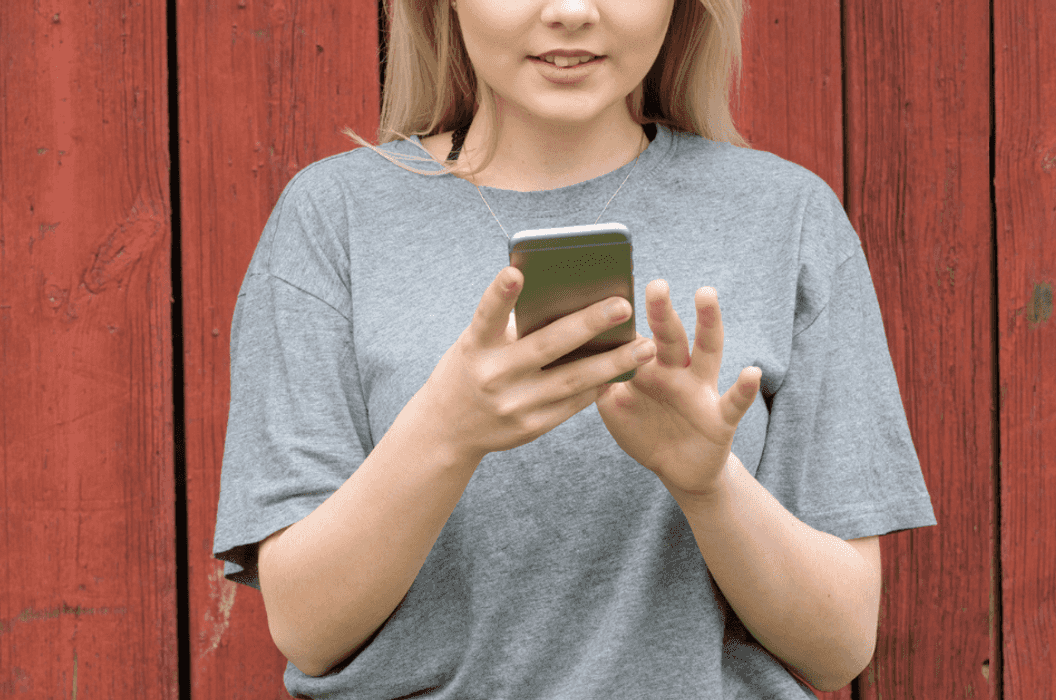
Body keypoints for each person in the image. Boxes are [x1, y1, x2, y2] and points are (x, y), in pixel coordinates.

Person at [213, 0, 936, 697]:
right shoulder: (333, 216)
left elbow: (839, 647)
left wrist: (710, 485)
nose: (571, 10)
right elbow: (307, 629)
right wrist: (446, 429)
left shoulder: (786, 216)